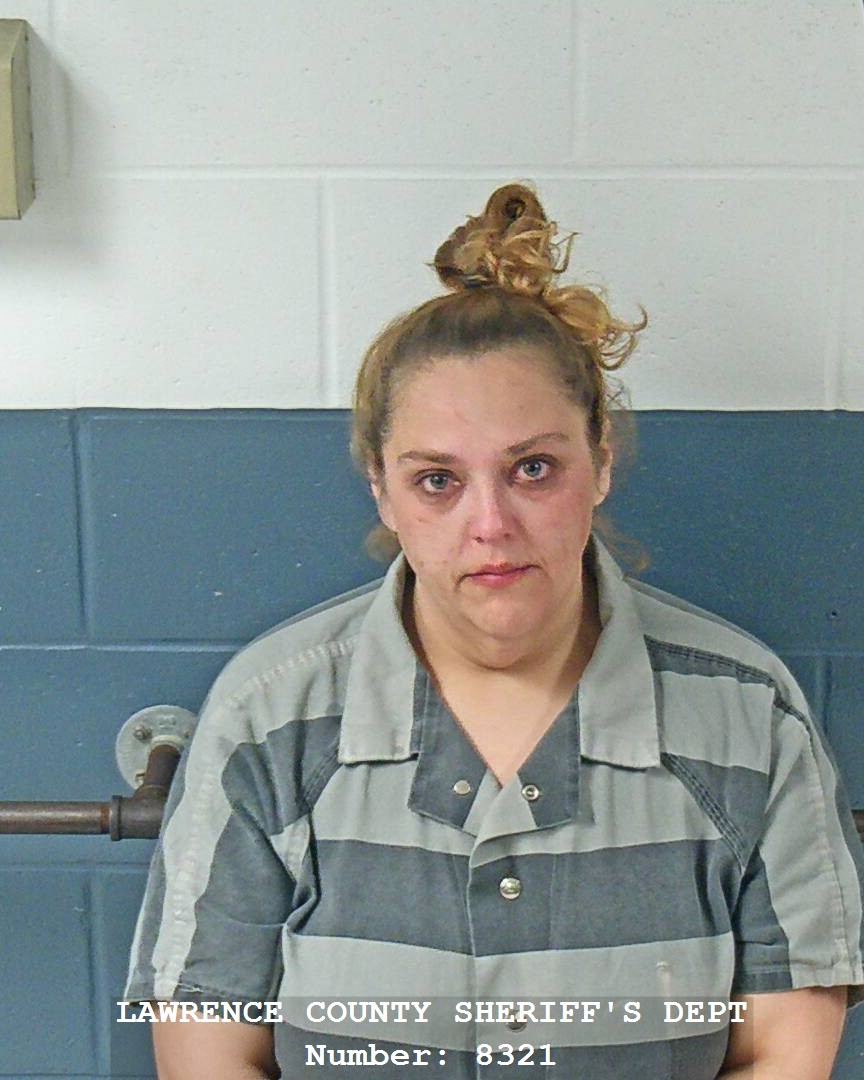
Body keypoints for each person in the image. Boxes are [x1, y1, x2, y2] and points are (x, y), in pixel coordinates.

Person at [124, 184, 864, 1079]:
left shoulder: (748, 719)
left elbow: (782, 1055)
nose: (491, 525)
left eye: (534, 469)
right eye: (437, 480)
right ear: (381, 490)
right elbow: (210, 1054)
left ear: (600, 461)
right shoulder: (268, 720)